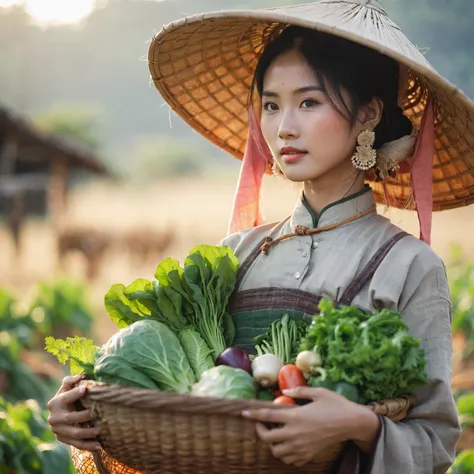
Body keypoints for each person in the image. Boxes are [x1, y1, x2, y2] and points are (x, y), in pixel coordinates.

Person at [48, 0, 474, 472]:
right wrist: (86, 404)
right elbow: (172, 394)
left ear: (368, 114)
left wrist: (360, 426)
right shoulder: (238, 254)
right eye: (271, 105)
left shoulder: (408, 265)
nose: (283, 127)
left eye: (308, 102)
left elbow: (434, 444)